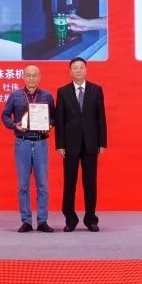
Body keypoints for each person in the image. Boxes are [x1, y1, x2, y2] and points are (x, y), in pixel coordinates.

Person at [1, 64, 56, 232]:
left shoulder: (47, 96)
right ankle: (26, 220)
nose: (32, 78)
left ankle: (42, 221)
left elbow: (54, 117)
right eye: (29, 75)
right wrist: (14, 125)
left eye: (35, 75)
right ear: (23, 77)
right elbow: (4, 115)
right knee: (23, 185)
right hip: (22, 143)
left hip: (40, 143)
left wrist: (49, 125)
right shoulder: (15, 95)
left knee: (43, 185)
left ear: (40, 77)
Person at [56, 56, 106, 232]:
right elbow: (60, 120)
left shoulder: (96, 90)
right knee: (69, 183)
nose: (78, 70)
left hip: (91, 143)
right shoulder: (63, 92)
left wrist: (102, 142)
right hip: (69, 145)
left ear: (86, 70)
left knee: (90, 183)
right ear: (70, 72)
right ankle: (70, 219)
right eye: (75, 68)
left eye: (81, 67)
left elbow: (101, 118)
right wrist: (59, 144)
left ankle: (91, 219)